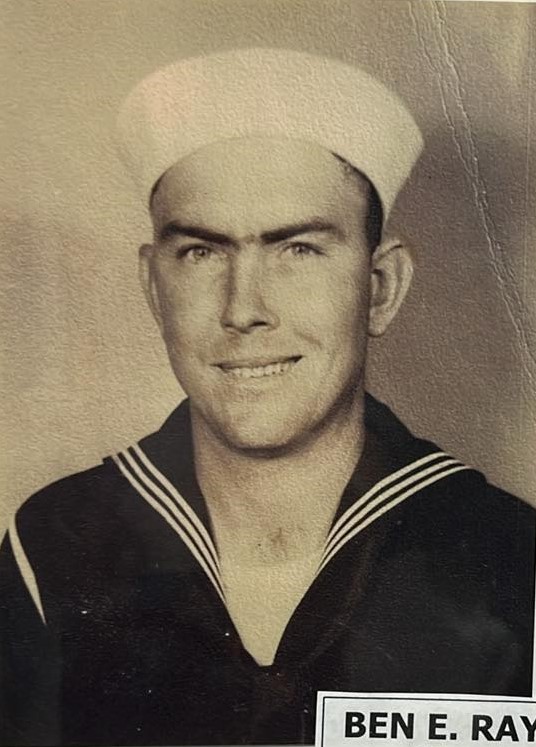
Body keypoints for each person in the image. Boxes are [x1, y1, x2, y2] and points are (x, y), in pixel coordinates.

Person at [0, 48, 534, 747]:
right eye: (201, 252)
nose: (243, 308)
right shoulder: (55, 548)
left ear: (380, 288)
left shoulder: (509, 561)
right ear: (154, 288)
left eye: (298, 250)